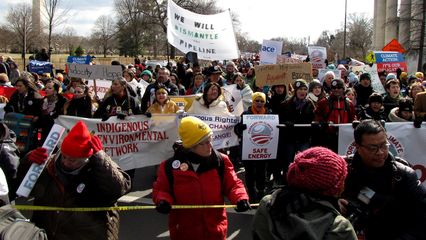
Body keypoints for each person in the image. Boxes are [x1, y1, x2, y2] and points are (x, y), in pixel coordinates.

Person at [19, 121, 131, 240]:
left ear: (85, 159)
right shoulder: (48, 165)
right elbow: (22, 188)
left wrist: (101, 159)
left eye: (72, 160)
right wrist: (28, 162)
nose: (66, 162)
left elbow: (118, 189)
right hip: (48, 234)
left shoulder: (99, 168)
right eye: (64, 156)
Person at [152, 116, 250, 240]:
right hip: (184, 232)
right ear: (191, 146)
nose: (210, 145)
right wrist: (163, 201)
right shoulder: (170, 167)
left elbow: (233, 184)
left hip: (215, 230)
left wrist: (240, 198)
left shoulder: (220, 161)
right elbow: (162, 190)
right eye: (204, 142)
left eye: (210, 139)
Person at [340, 120, 426, 240]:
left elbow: (421, 219)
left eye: (383, 145)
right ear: (358, 147)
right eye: (372, 148)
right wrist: (332, 205)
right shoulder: (340, 170)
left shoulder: (403, 175)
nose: (380, 152)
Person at [253, 147, 357, 240]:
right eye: (342, 179)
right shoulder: (340, 227)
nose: (344, 184)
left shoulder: (269, 203)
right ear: (333, 188)